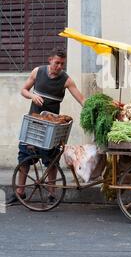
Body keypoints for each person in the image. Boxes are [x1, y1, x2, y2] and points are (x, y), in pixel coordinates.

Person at [7, 48, 85, 205]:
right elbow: (24, 90)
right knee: (24, 157)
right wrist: (32, 95)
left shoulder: (66, 80)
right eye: (57, 63)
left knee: (51, 159)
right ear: (50, 60)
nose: (59, 67)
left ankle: (51, 193)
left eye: (62, 64)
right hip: (33, 124)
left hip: (52, 127)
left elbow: (82, 99)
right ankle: (20, 192)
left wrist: (92, 109)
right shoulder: (38, 72)